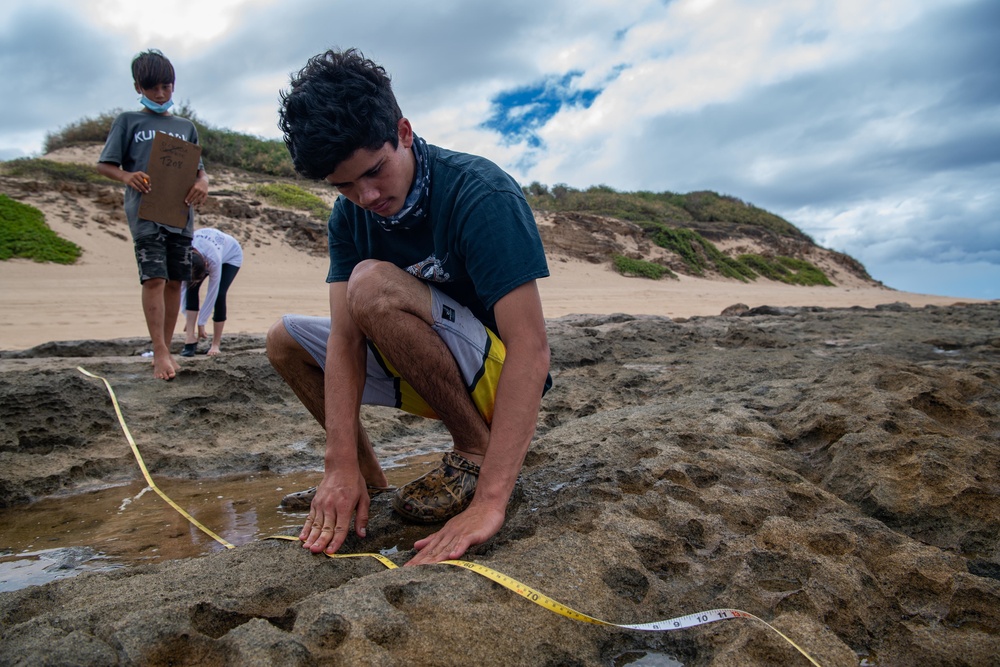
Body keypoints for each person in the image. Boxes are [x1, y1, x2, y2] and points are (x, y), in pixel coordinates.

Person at [266, 48, 551, 567]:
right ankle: (365, 483)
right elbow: (346, 341)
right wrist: (338, 464)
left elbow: (532, 352)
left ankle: (474, 452)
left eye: (375, 171)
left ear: (402, 131)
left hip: (496, 380)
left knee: (370, 282)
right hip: (422, 371)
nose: (366, 195)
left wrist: (490, 502)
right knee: (283, 339)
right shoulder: (347, 217)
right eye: (344, 185)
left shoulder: (479, 193)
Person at [96, 48, 209, 380]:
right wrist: (127, 176)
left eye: (166, 86)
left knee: (177, 281)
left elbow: (199, 171)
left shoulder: (185, 127)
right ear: (138, 88)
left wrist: (204, 183)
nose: (160, 94)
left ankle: (169, 348)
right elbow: (105, 164)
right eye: (152, 88)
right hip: (146, 212)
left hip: (181, 213)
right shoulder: (128, 122)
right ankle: (159, 351)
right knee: (155, 278)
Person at [180, 228, 244, 357]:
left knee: (220, 295)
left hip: (231, 255)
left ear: (206, 264)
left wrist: (201, 323)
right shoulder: (184, 253)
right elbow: (181, 289)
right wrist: (187, 316)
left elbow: (212, 294)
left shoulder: (213, 259)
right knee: (192, 287)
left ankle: (215, 344)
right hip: (202, 251)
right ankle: (190, 339)